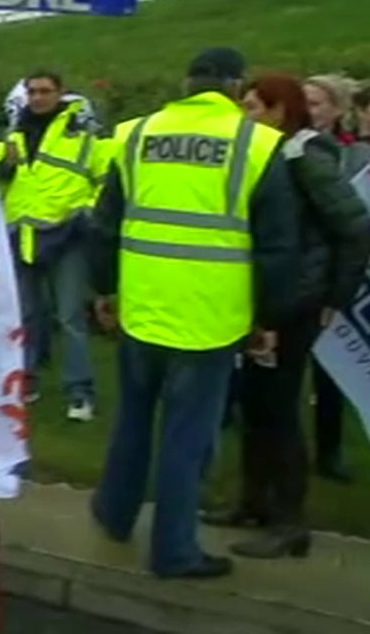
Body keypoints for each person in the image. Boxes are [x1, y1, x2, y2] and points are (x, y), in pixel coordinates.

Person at [89, 47, 300, 578]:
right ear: (235, 87)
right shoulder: (257, 144)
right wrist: (268, 318)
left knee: (133, 419)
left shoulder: (136, 135)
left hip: (142, 304)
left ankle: (114, 513)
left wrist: (103, 290)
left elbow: (105, 222)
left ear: (187, 83)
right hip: (211, 315)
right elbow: (277, 246)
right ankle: (174, 551)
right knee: (188, 438)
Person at [201, 74, 370, 559]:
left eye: (253, 107)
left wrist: (334, 296)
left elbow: (355, 228)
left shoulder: (304, 158)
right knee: (255, 404)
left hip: (294, 303)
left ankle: (290, 521)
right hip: (264, 299)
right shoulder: (264, 154)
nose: (244, 116)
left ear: (279, 110)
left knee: (278, 410)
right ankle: (253, 502)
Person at [0, 71, 109, 421]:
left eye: (45, 91)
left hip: (67, 237)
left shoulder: (82, 136)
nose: (38, 97)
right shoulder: (13, 136)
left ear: (60, 93)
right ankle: (26, 381)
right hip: (22, 237)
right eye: (33, 92)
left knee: (69, 318)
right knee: (26, 316)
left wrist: (86, 213)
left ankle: (80, 391)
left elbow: (105, 183)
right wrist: (3, 169)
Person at [303, 74, 368, 483]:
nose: (310, 110)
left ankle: (330, 450)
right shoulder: (290, 148)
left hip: (340, 271)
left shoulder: (354, 155)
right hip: (301, 268)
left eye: (317, 103)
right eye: (305, 101)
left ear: (338, 109)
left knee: (332, 366)